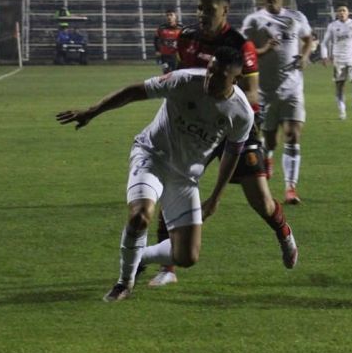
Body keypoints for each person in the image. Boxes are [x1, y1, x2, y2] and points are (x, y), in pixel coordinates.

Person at [56, 46, 254, 302]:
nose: (210, 78)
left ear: (235, 79)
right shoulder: (184, 80)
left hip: (185, 177)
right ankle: (124, 283)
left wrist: (215, 198)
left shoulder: (241, 113)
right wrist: (92, 112)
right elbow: (135, 91)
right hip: (152, 155)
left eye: (219, 75)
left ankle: (140, 255)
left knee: (187, 256)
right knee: (140, 216)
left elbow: (231, 154)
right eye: (210, 70)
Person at [148, 0, 299, 288]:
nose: (202, 14)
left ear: (225, 11)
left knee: (261, 201)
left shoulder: (239, 45)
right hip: (194, 130)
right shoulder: (187, 38)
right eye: (199, 8)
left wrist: (221, 104)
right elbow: (178, 82)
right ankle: (167, 268)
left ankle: (284, 235)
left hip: (231, 126)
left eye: (210, 9)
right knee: (171, 187)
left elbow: (252, 94)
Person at [242, 0, 314, 204]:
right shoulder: (254, 20)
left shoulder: (297, 17)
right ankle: (269, 157)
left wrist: (304, 56)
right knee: (270, 140)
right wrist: (263, 49)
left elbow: (309, 39)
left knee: (292, 135)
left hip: (293, 87)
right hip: (264, 90)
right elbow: (242, 49)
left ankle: (290, 188)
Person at [320, 3, 352, 120]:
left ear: (348, 13)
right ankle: (342, 111)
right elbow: (324, 43)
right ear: (337, 13)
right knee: (339, 87)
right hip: (339, 60)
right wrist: (324, 56)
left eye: (344, 10)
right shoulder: (332, 26)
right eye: (339, 11)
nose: (342, 13)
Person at [154, 9, 182, 74]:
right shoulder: (161, 28)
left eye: (171, 15)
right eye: (167, 15)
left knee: (175, 74)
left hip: (176, 56)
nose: (169, 17)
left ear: (176, 16)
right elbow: (156, 39)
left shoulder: (181, 28)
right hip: (164, 56)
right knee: (166, 72)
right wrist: (157, 51)